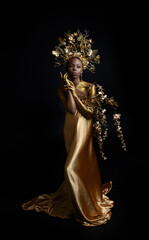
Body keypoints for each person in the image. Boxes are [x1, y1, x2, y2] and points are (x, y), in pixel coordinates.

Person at [21, 30, 126, 226]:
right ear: (67, 68)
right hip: (69, 128)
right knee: (75, 165)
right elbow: (70, 111)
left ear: (83, 68)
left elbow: (89, 114)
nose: (74, 69)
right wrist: (69, 89)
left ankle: (83, 208)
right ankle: (80, 197)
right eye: (71, 66)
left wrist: (76, 94)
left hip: (84, 128)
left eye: (78, 66)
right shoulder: (62, 89)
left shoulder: (89, 87)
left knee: (70, 168)